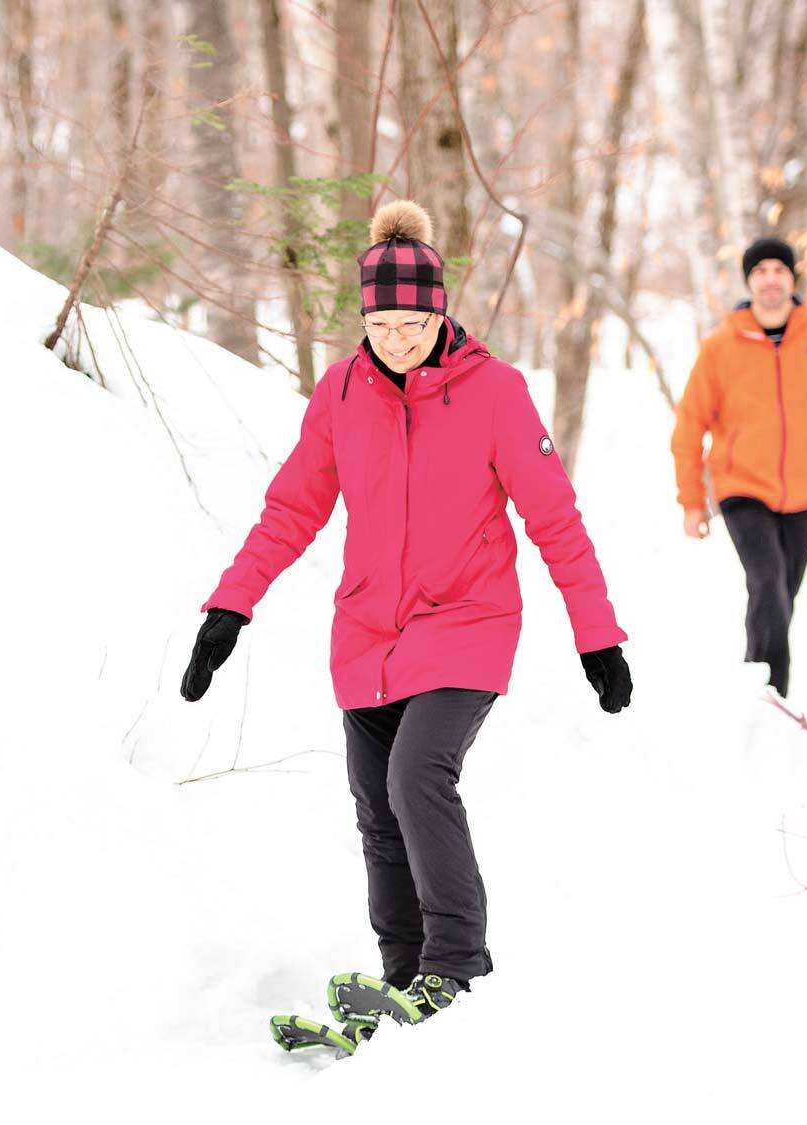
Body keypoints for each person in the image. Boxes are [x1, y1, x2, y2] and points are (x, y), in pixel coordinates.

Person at [181, 200, 631, 1015]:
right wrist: (230, 608)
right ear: (364, 317)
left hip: (468, 624)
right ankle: (403, 971)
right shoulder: (342, 393)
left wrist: (595, 635)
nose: (396, 339)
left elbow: (554, 519)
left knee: (418, 775)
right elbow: (292, 509)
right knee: (375, 804)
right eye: (381, 323)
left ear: (439, 311)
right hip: (367, 635)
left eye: (411, 323)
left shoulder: (494, 392)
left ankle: (457, 963)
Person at [671, 237, 807, 697]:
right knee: (769, 581)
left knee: (778, 597)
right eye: (760, 271)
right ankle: (771, 694)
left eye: (779, 269)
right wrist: (693, 502)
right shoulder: (720, 347)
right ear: (749, 280)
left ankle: (753, 687)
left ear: (792, 278)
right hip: (741, 490)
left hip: (805, 493)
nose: (770, 278)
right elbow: (689, 426)